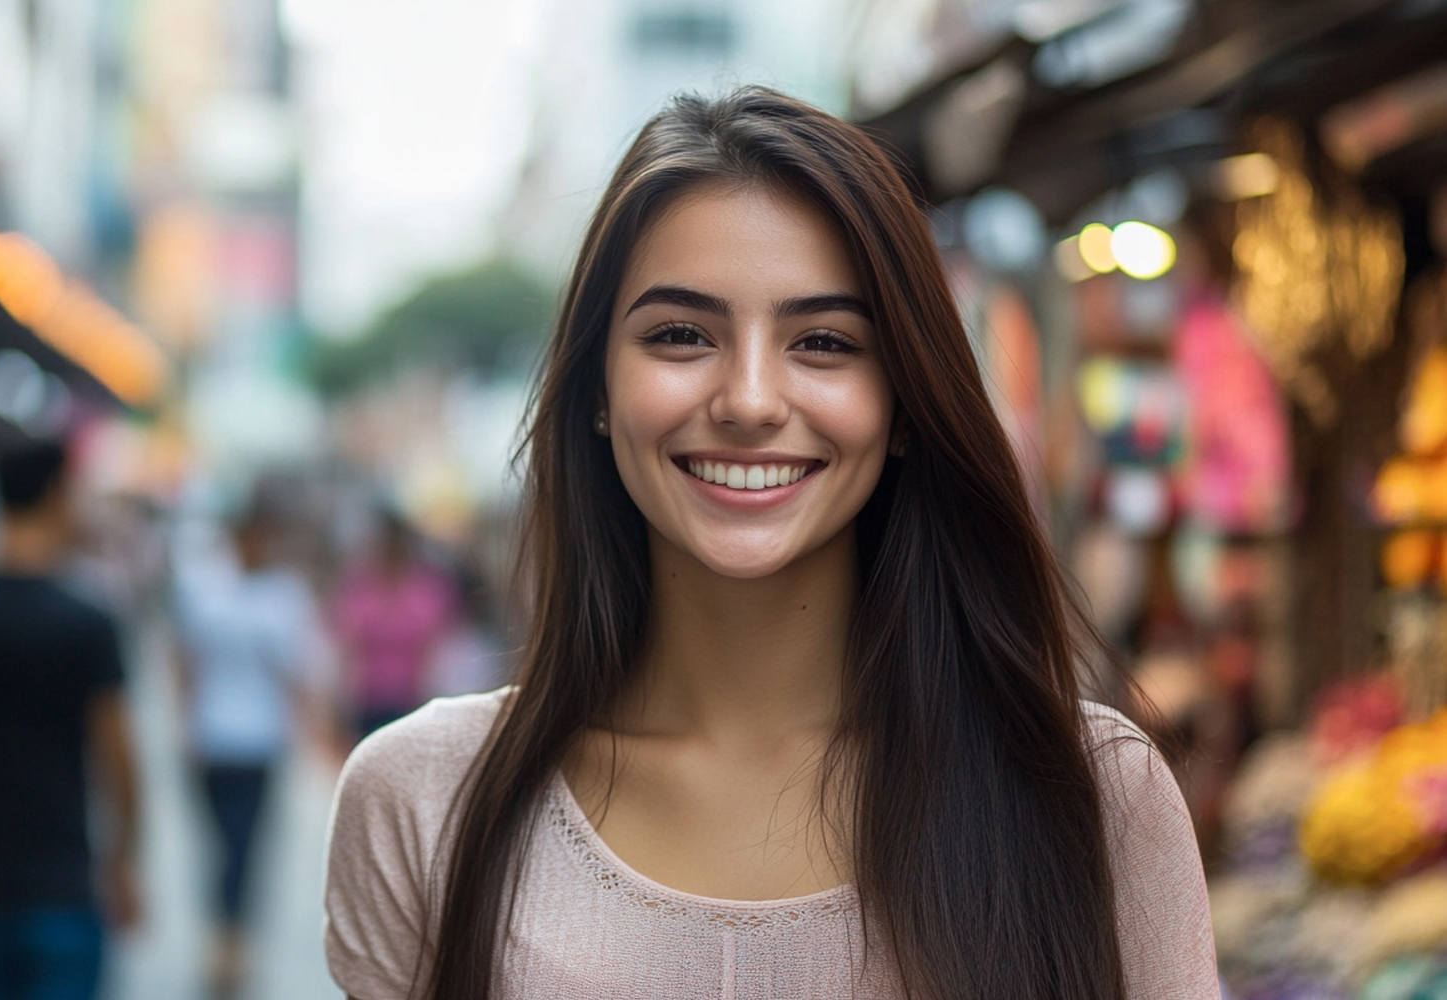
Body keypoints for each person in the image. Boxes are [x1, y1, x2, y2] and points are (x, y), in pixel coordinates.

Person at [323, 87, 1221, 1000]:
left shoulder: (1093, 798)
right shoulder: (425, 801)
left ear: (904, 402)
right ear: (597, 387)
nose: (750, 400)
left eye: (824, 342)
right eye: (681, 335)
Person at [0, 431, 141, 1000]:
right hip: (65, 885)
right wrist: (124, 862)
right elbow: (117, 756)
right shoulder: (87, 620)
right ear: (58, 492)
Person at [173, 500, 330, 998]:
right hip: (213, 739)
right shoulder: (203, 586)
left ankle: (233, 941)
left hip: (260, 742)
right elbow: (186, 660)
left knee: (246, 845)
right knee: (221, 844)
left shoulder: (285, 596)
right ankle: (224, 932)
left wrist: (311, 736)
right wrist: (186, 723)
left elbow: (296, 675)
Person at [329, 506, 459, 738]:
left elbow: (435, 647)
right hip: (368, 698)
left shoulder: (426, 589)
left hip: (413, 698)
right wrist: (341, 698)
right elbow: (347, 646)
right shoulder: (360, 585)